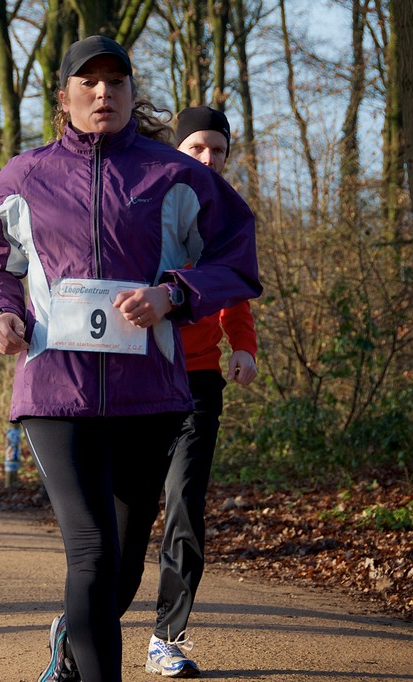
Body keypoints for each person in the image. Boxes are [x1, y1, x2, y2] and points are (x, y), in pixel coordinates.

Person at [0, 35, 260, 682]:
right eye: (88, 83)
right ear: (64, 96)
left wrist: (174, 293)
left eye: (115, 82)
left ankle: (71, 644)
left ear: (130, 91)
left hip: (148, 393)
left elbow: (236, 254)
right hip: (54, 391)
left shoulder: (174, 174)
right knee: (92, 552)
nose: (103, 93)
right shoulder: (24, 177)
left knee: (120, 564)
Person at [113, 106, 258, 678]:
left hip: (197, 380)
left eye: (218, 150)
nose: (208, 158)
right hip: (138, 376)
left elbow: (233, 291)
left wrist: (242, 346)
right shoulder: (147, 201)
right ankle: (90, 621)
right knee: (128, 514)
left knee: (184, 505)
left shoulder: (226, 215)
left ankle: (166, 638)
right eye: (197, 147)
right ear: (176, 151)